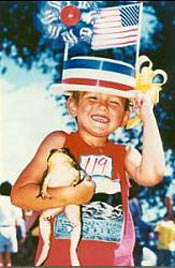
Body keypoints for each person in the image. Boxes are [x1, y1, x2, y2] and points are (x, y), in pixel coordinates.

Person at [11, 56, 165, 266]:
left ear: (124, 117)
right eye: (92, 98)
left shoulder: (125, 153)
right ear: (73, 105)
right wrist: (68, 195)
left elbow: (153, 174)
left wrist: (148, 117)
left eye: (113, 102)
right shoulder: (59, 141)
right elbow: (20, 195)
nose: (102, 106)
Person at [0, 181, 25, 267]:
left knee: (0, 259)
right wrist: (22, 234)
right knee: (8, 258)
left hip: (0, 229)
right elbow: (19, 220)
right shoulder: (13, 201)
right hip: (11, 230)